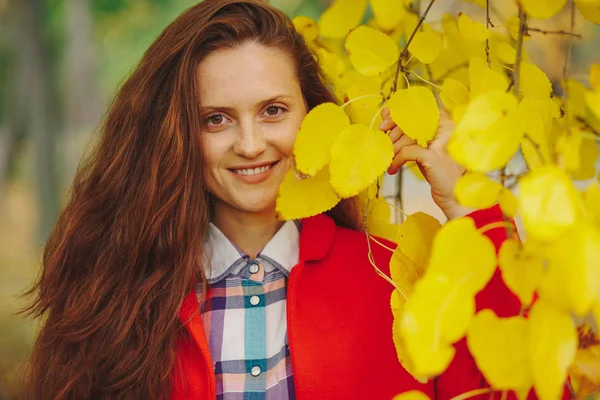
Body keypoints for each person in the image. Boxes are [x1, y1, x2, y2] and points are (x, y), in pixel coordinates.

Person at [19, 0, 526, 399]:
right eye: (216, 118)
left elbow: (519, 386)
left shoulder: (397, 280)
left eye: (273, 111)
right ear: (176, 134)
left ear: (312, 114)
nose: (250, 144)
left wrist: (465, 203)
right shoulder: (116, 296)